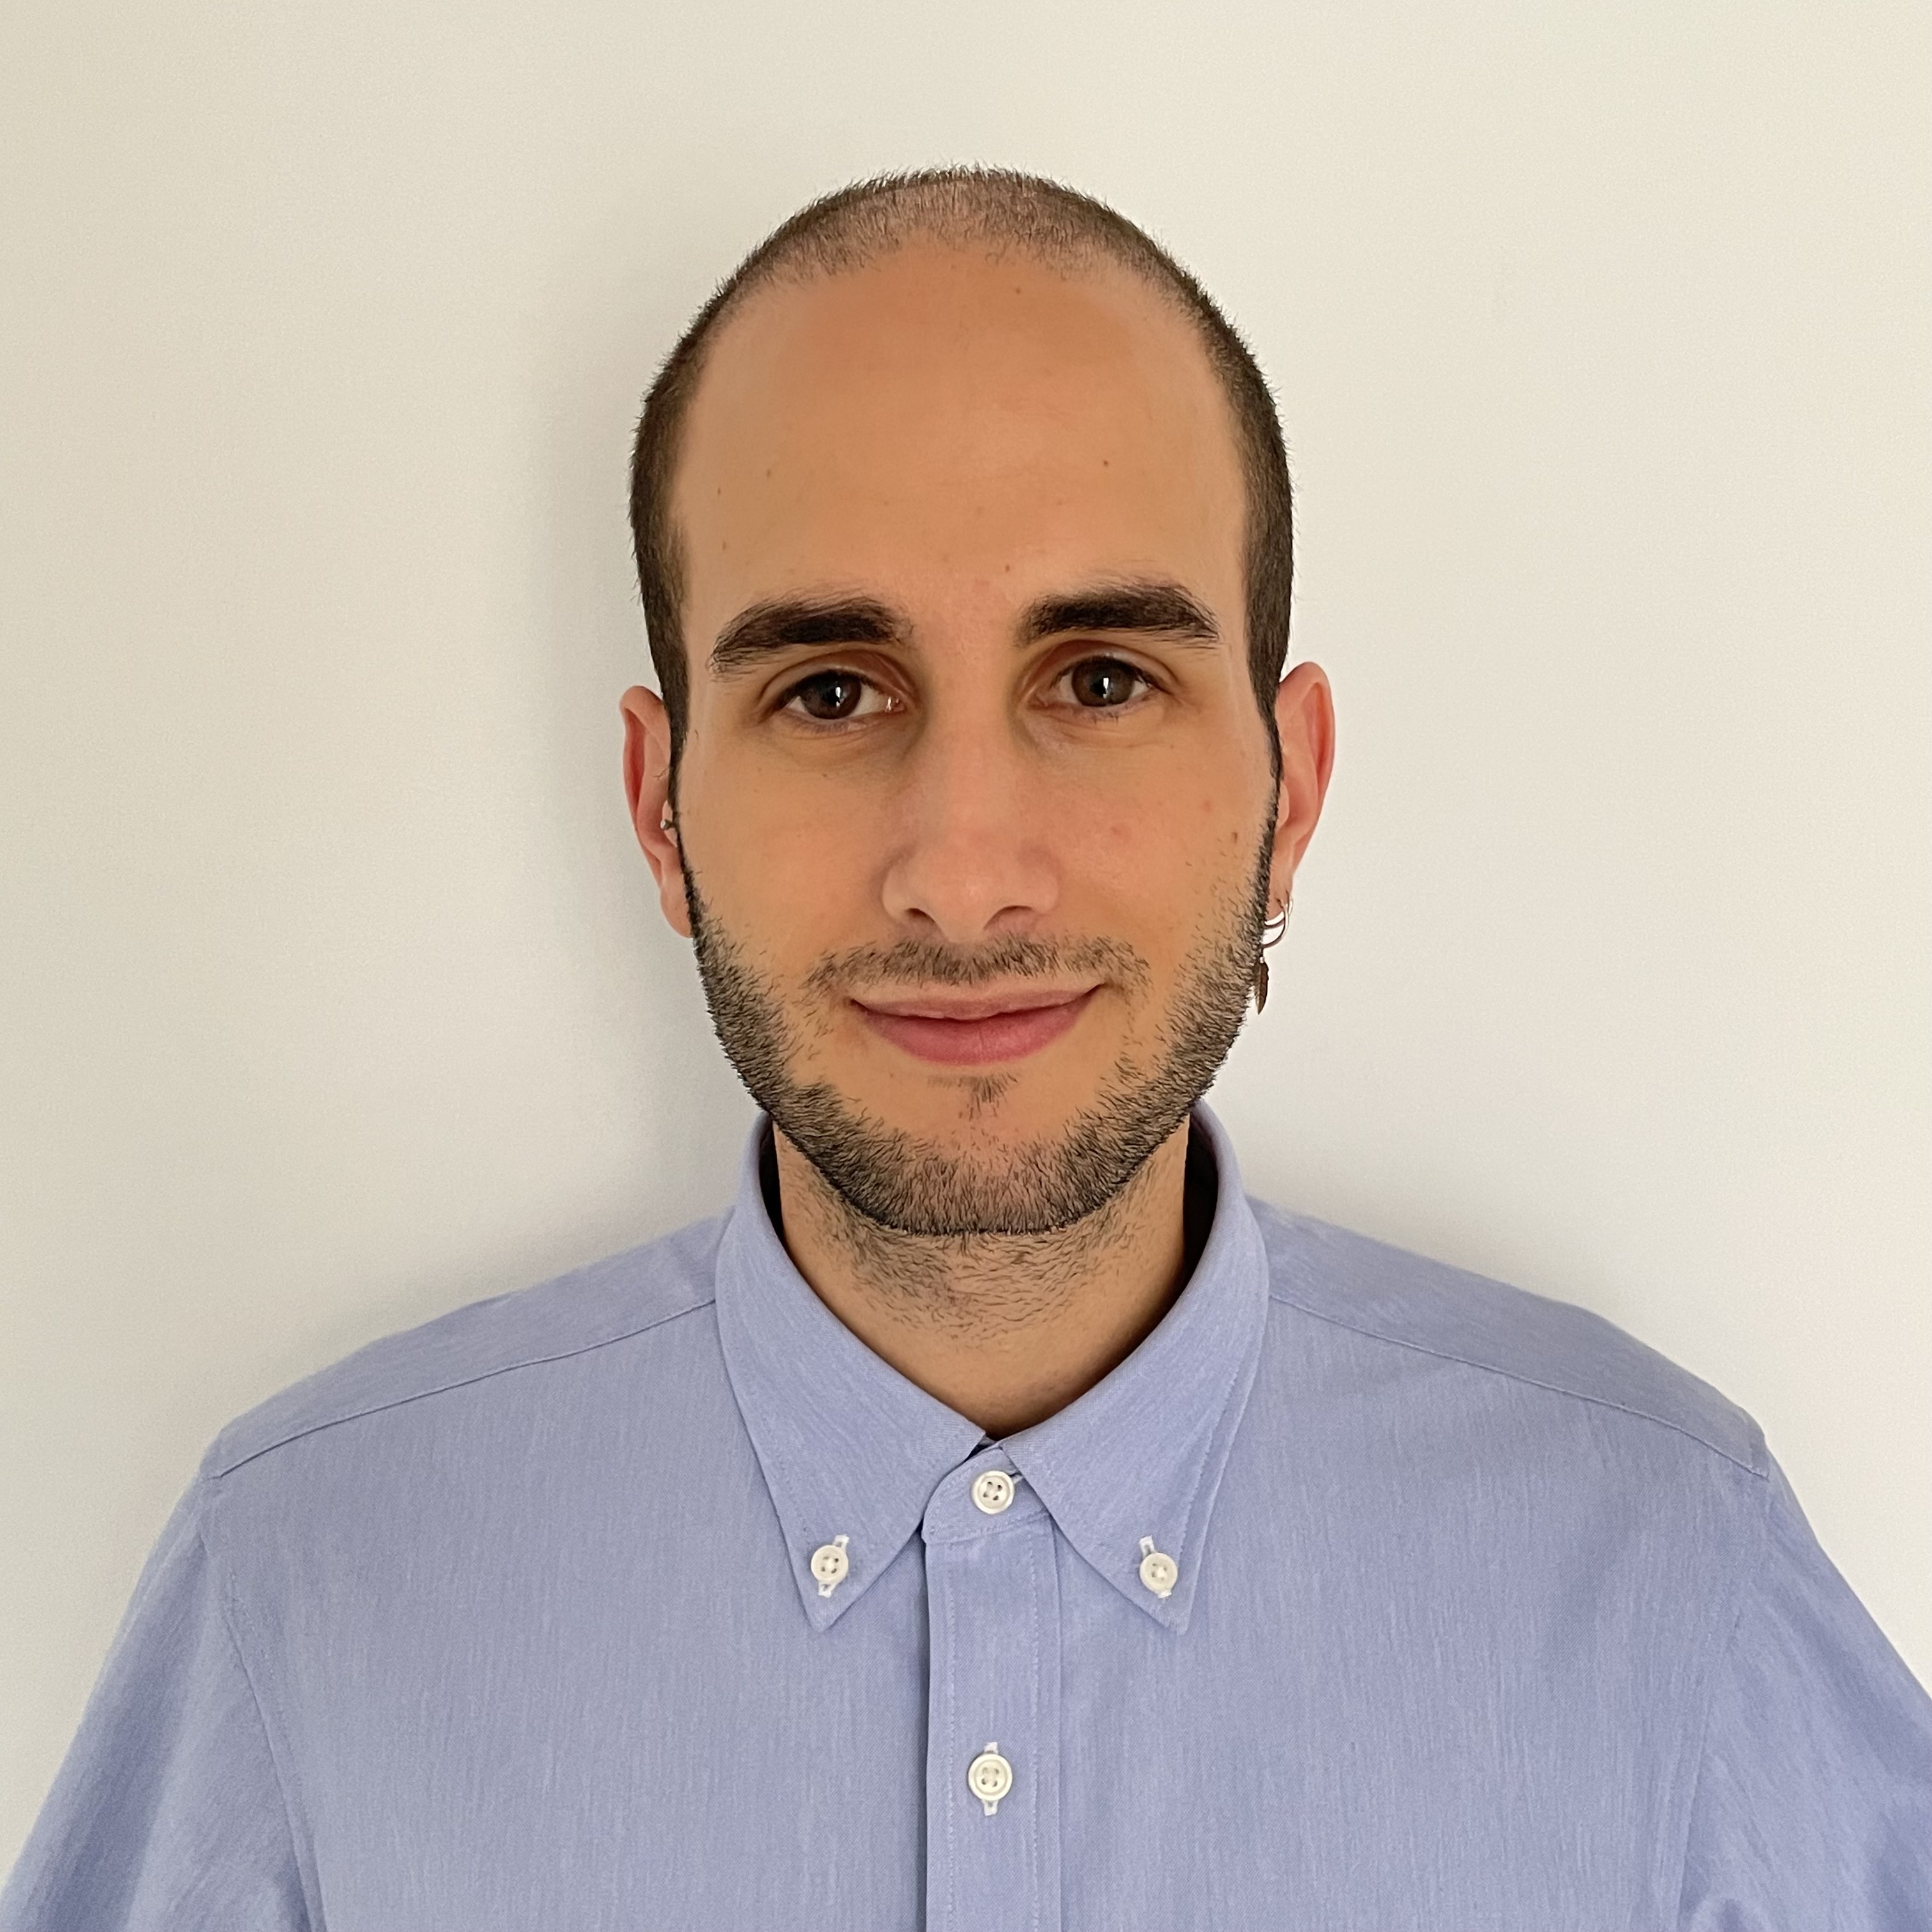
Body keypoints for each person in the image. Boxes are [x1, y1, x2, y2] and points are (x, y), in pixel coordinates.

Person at [5, 167, 1928, 1932]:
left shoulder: (1676, 1587)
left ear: (1291, 786)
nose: (966, 873)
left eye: (1101, 681)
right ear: (662, 809)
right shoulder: (312, 1594)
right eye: (834, 689)